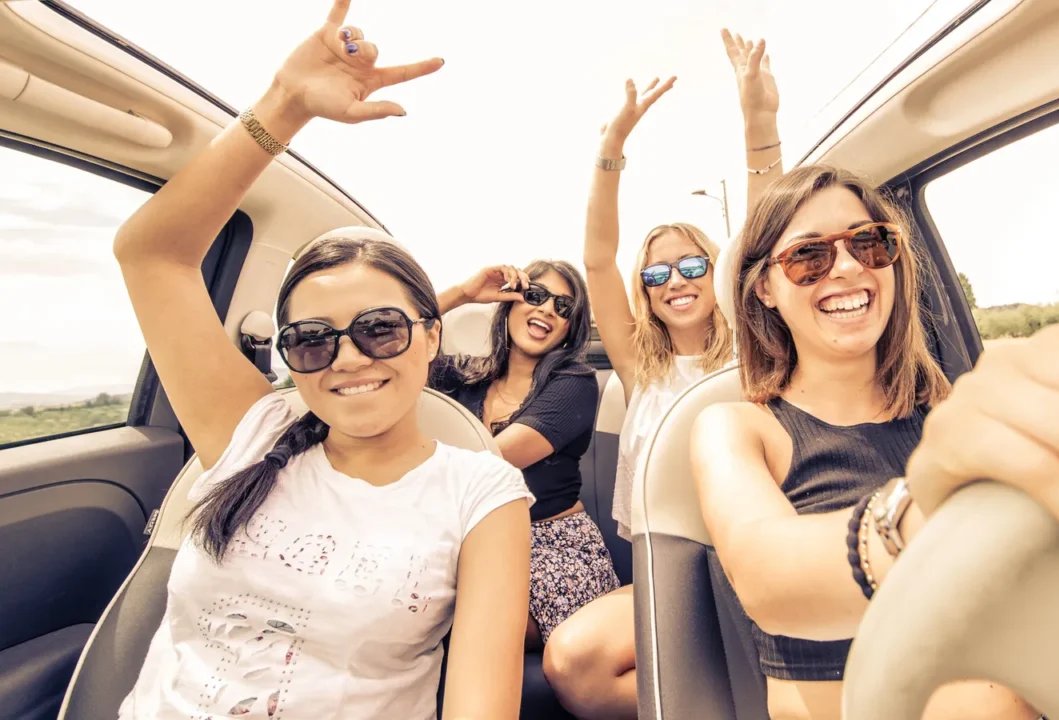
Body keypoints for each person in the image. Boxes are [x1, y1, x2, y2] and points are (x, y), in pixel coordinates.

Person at [691, 162, 1059, 719]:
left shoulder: (951, 407)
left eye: (868, 243)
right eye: (808, 257)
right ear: (764, 288)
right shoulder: (735, 429)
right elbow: (768, 577)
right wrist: (931, 516)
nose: (847, 268)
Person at [112, 3, 532, 718]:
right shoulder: (252, 430)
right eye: (311, 339)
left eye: (380, 329)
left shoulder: (482, 494)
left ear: (433, 336)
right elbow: (151, 255)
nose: (346, 359)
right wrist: (283, 106)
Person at [540, 29, 768, 720]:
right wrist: (612, 151)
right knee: (572, 666)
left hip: (752, 559)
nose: (677, 280)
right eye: (659, 271)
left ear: (718, 272)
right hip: (666, 568)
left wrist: (760, 123)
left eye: (694, 265)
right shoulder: (641, 362)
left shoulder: (756, 351)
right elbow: (598, 258)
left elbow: (763, 230)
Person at [430, 261, 619, 648]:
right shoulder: (465, 376)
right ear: (509, 305)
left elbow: (491, 459)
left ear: (569, 327)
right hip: (473, 544)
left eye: (563, 307)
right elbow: (392, 345)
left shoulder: (574, 383)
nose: (548, 309)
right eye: (535, 296)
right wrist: (463, 294)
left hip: (553, 551)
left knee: (442, 616)